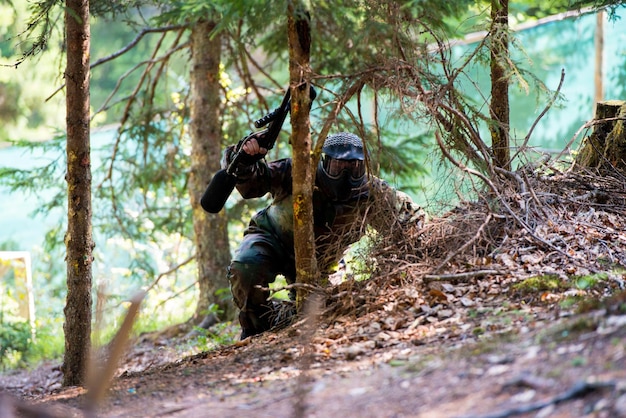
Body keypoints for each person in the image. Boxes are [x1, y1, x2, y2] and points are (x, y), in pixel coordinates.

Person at [219, 131, 425, 339]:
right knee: (245, 267)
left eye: (354, 168)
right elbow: (253, 185)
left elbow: (408, 220)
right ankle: (256, 329)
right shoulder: (299, 171)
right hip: (271, 238)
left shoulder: (370, 191)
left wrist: (421, 247)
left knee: (322, 311)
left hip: (320, 262)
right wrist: (244, 159)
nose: (345, 176)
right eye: (338, 167)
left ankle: (284, 318)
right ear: (324, 162)